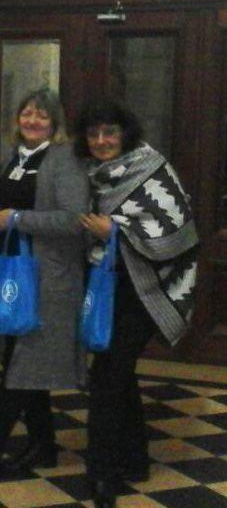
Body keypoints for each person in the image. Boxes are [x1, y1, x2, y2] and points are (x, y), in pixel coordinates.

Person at [0, 89, 89, 492]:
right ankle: (44, 446)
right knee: (23, 361)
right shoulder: (15, 158)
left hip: (49, 281)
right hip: (15, 277)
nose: (32, 121)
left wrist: (18, 218)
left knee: (17, 369)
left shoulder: (64, 160)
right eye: (27, 113)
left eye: (42, 116)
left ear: (55, 123)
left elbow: (75, 220)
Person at [75, 98, 198, 508]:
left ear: (125, 133)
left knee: (106, 380)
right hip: (108, 287)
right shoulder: (91, 175)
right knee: (118, 375)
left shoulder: (153, 169)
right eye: (93, 134)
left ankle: (102, 474)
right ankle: (134, 459)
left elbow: (178, 230)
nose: (101, 141)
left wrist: (115, 230)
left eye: (109, 132)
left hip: (147, 292)